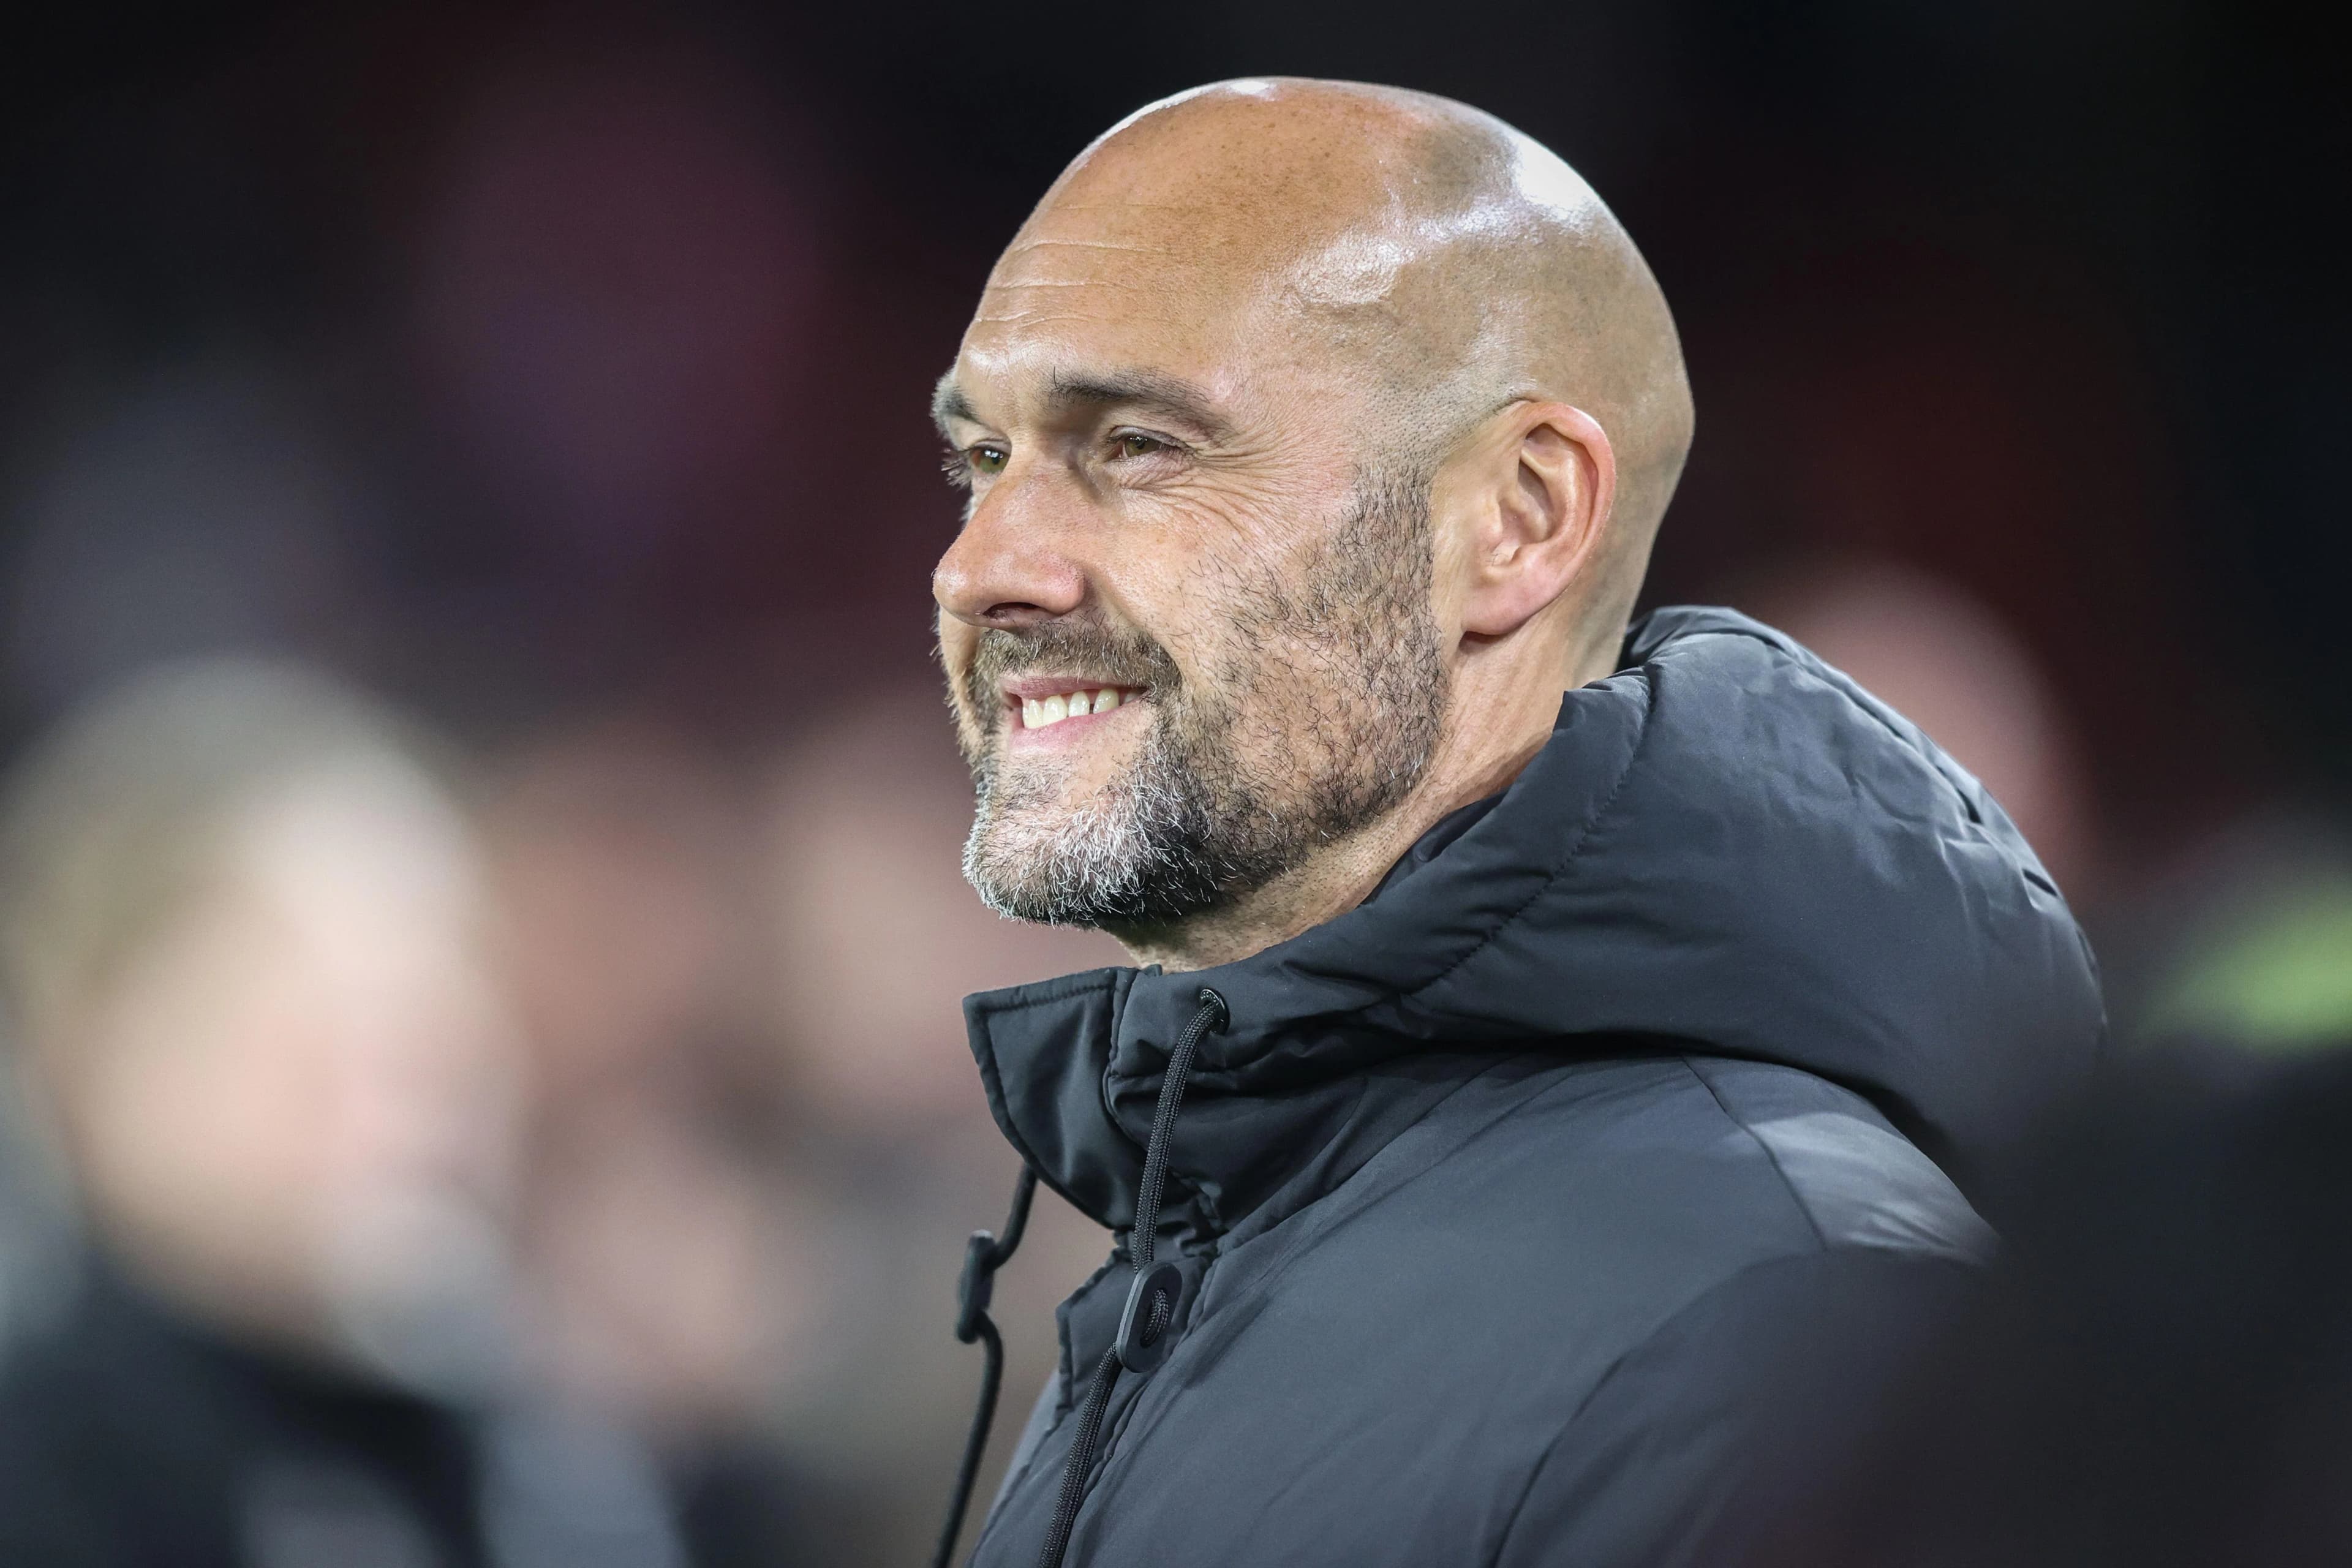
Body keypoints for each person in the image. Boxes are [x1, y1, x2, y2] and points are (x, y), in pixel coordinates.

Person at [922, 79, 2105, 1567]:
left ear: (1522, 518)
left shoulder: (1788, 1310)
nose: (985, 565)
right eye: (983, 459)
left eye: (1140, 444)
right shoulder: (1233, 1205)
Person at [0, 662, 682, 1568]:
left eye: (436, 1004)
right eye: (311, 1027)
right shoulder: (51, 1469)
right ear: (90, 1041)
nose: (418, 1090)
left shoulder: (534, 1445)